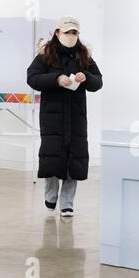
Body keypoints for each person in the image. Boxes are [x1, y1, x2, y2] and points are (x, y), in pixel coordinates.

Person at [27, 16, 103, 217]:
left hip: (76, 116)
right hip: (53, 115)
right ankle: (51, 195)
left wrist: (86, 78)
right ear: (57, 32)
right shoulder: (46, 53)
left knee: (74, 158)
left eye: (74, 32)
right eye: (67, 32)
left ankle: (67, 203)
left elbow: (98, 82)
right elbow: (32, 77)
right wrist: (56, 79)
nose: (71, 36)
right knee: (52, 156)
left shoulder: (84, 55)